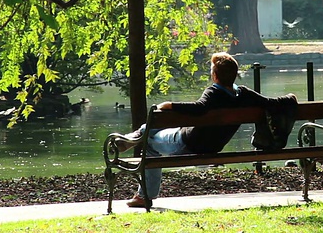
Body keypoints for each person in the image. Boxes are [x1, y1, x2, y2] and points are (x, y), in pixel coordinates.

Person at [116, 52, 297, 208]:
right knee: (155, 129)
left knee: (148, 140)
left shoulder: (213, 93)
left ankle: (143, 193)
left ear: (215, 76)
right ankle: (137, 135)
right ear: (233, 75)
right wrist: (290, 98)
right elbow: (272, 103)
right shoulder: (244, 95)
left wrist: (169, 105)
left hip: (185, 144)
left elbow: (199, 108)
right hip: (212, 148)